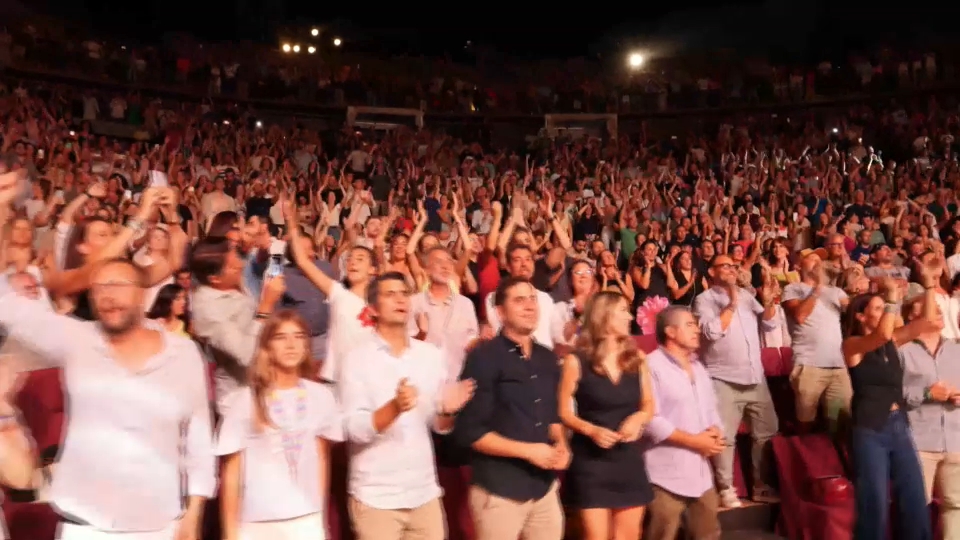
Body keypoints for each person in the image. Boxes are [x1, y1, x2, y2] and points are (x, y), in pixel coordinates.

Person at [0, 246, 214, 540]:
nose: (108, 295)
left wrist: (194, 514)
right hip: (84, 525)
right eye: (99, 288)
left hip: (159, 525)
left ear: (143, 294)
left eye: (118, 285)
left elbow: (199, 439)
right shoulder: (76, 340)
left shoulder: (183, 353)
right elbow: (9, 309)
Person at [339, 272, 475, 540]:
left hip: (424, 493)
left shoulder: (431, 356)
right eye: (390, 295)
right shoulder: (356, 360)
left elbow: (438, 426)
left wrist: (447, 412)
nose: (401, 300)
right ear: (373, 309)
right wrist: (395, 407)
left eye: (404, 294)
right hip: (375, 497)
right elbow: (352, 428)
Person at [454, 276, 569, 540]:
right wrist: (529, 451)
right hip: (498, 491)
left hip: (543, 488)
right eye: (519, 300)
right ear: (500, 312)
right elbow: (470, 432)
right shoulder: (483, 358)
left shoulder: (546, 358)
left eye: (532, 299)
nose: (530, 306)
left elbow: (552, 416)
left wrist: (561, 444)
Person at [216, 310, 343, 540]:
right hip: (257, 522)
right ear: (267, 346)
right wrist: (230, 532)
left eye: (298, 336)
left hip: (306, 519)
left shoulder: (321, 396)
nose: (291, 344)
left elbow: (322, 459)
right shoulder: (244, 400)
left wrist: (320, 519)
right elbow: (232, 471)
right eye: (281, 337)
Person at [842, 272, 938, 540]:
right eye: (877, 308)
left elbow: (926, 322)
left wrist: (930, 284)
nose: (884, 310)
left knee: (914, 497)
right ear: (861, 316)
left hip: (899, 425)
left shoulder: (891, 342)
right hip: (870, 429)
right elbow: (883, 333)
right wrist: (893, 297)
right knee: (874, 503)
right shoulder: (852, 345)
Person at [557, 291, 654, 540]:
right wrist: (591, 430)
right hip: (591, 464)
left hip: (628, 460)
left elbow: (648, 404)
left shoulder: (637, 358)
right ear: (604, 315)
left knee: (629, 536)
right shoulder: (575, 361)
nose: (630, 316)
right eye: (623, 310)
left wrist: (639, 418)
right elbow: (563, 412)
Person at [693, 254, 780, 507]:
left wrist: (769, 302)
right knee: (724, 437)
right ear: (711, 272)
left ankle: (761, 487)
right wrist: (730, 304)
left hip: (755, 377)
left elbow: (770, 325)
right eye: (725, 266)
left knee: (767, 431)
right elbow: (711, 331)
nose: (731, 269)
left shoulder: (747, 296)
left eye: (733, 265)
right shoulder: (704, 300)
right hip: (723, 378)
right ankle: (726, 488)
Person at [643, 305, 724, 540]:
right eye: (689, 325)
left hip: (700, 473)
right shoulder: (651, 366)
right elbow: (650, 420)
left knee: (707, 534)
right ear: (670, 331)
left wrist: (716, 431)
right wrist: (694, 441)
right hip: (664, 475)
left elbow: (711, 408)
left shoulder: (699, 368)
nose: (696, 330)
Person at [901, 277, 960, 539]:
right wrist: (927, 393)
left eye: (937, 309)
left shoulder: (957, 350)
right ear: (912, 319)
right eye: (926, 309)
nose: (936, 312)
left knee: (956, 506)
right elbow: (889, 395)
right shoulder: (902, 351)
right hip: (918, 440)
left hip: (956, 439)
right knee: (915, 508)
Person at [781, 249, 851, 432]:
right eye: (811, 259)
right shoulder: (793, 288)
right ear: (799, 266)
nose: (817, 262)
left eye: (819, 259)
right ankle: (806, 457)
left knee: (839, 420)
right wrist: (818, 288)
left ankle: (833, 458)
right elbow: (800, 316)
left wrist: (849, 278)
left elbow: (853, 314)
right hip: (808, 365)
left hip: (837, 366)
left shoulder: (837, 291)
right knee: (806, 422)